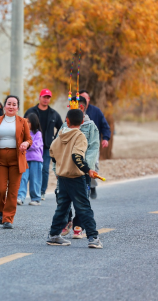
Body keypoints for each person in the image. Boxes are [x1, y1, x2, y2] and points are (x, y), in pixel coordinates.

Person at [46, 109, 102, 249]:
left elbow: (52, 152)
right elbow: (77, 157)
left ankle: (54, 235)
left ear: (67, 121)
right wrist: (87, 170)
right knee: (84, 207)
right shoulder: (80, 136)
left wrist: (60, 164)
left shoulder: (60, 135)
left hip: (62, 177)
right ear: (82, 122)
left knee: (62, 208)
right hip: (76, 177)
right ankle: (93, 238)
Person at [0, 95, 32, 229]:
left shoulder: (23, 121)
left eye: (14, 104)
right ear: (4, 106)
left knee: (13, 191)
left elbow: (29, 139)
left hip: (17, 158)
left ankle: (8, 218)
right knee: (0, 190)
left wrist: (26, 143)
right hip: (0, 159)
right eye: (9, 104)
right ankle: (2, 210)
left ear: (18, 108)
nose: (11, 107)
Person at [57, 96, 100, 238]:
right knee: (62, 198)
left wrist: (86, 167)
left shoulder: (90, 126)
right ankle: (66, 221)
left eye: (81, 106)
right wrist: (56, 167)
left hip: (83, 170)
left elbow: (94, 147)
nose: (78, 107)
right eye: (75, 105)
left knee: (82, 200)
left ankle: (78, 226)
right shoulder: (64, 126)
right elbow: (56, 148)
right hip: (65, 170)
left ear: (85, 108)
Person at [25, 89, 63, 200]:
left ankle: (41, 192)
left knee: (45, 169)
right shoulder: (31, 112)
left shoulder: (54, 114)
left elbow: (61, 128)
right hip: (30, 147)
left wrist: (55, 140)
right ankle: (23, 193)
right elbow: (23, 125)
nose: (46, 99)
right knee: (26, 170)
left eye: (48, 97)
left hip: (47, 147)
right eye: (44, 97)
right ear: (39, 97)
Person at [79, 89, 111, 199]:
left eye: (85, 98)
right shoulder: (74, 112)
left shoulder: (96, 111)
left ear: (88, 100)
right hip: (79, 145)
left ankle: (92, 187)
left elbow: (105, 126)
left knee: (93, 165)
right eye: (81, 98)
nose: (83, 101)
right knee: (81, 165)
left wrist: (105, 138)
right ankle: (84, 188)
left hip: (93, 144)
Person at [17, 113, 43, 206]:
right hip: (24, 159)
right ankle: (20, 197)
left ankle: (36, 199)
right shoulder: (22, 133)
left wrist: (26, 144)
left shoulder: (38, 134)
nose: (26, 123)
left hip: (36, 160)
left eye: (28, 121)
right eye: (25, 121)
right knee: (22, 178)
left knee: (35, 179)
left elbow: (35, 146)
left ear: (34, 122)